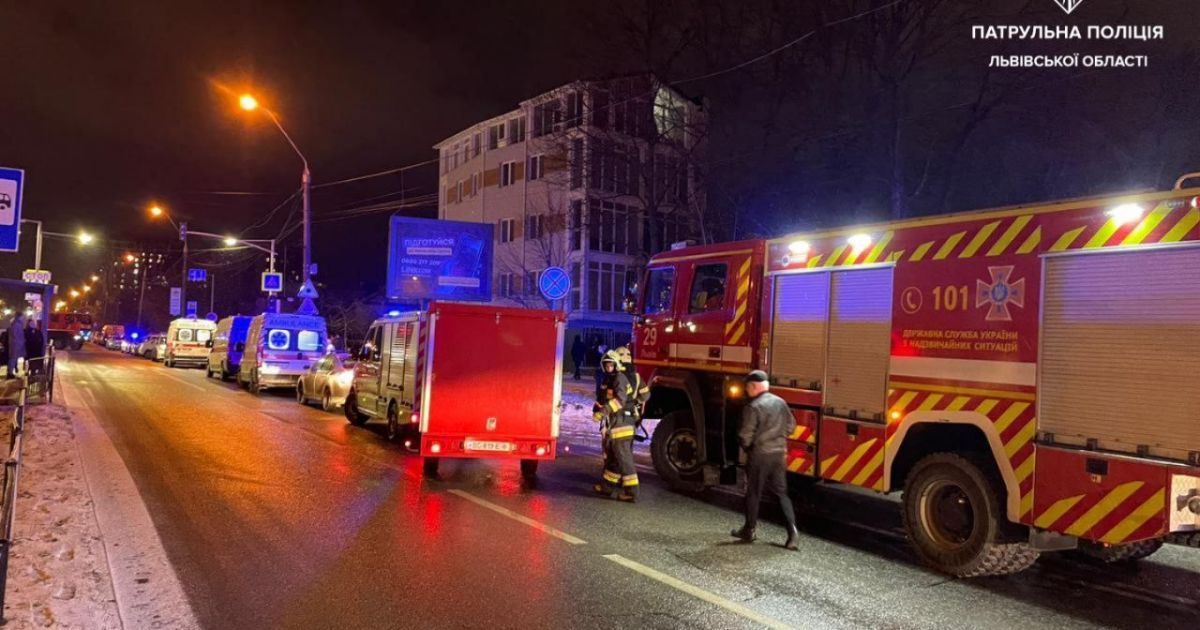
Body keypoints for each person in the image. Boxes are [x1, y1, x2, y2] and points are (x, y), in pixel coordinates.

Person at [730, 370, 799, 550]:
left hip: (760, 455)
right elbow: (791, 427)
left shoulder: (753, 407)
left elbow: (745, 435)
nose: (746, 392)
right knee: (781, 494)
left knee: (753, 493)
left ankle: (749, 530)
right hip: (779, 455)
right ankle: (792, 534)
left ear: (753, 387)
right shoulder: (781, 402)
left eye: (747, 388)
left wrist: (748, 448)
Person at [592, 349, 639, 502]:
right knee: (613, 458)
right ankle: (607, 487)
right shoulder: (611, 379)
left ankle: (631, 492)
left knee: (624, 459)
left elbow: (620, 400)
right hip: (616, 424)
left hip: (622, 425)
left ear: (617, 365)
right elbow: (605, 398)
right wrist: (598, 409)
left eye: (611, 365)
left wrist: (603, 412)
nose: (608, 368)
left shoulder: (620, 378)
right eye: (606, 366)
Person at [7, 313, 26, 378]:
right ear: (19, 317)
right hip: (16, 345)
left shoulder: (17, 324)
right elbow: (16, 335)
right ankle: (10, 373)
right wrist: (20, 342)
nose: (23, 318)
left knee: (14, 358)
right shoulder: (17, 324)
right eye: (22, 317)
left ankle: (11, 371)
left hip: (16, 344)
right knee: (13, 358)